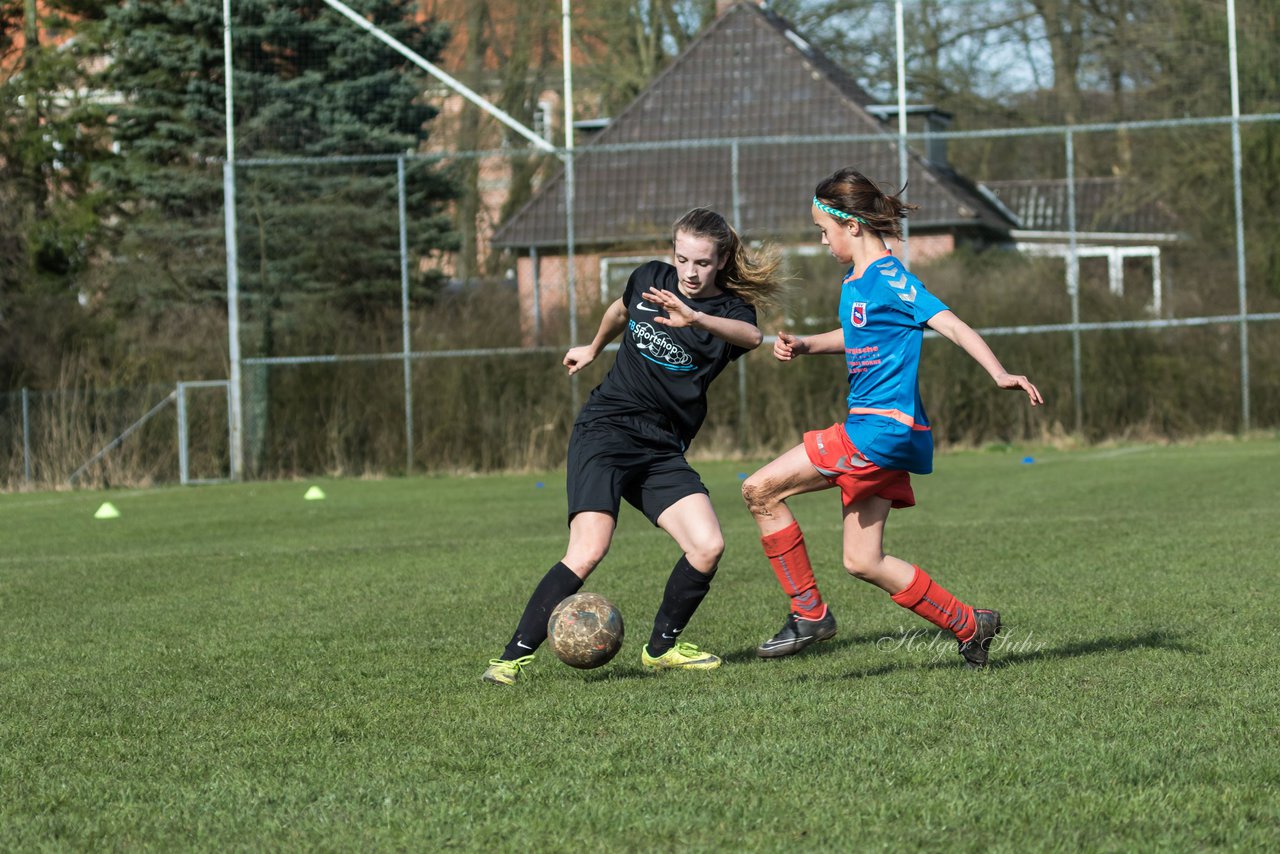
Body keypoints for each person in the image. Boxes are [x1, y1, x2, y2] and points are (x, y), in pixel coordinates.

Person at [741, 168, 1043, 669]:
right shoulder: (857, 282)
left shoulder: (890, 277)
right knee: (863, 560)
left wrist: (1000, 372)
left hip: (878, 430)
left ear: (851, 226)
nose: (822, 241)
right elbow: (859, 336)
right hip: (881, 433)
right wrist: (810, 344)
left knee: (759, 490)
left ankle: (808, 613)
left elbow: (949, 322)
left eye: (823, 230)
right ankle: (971, 625)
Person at [483, 207, 784, 685]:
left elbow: (753, 335)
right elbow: (621, 310)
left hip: (661, 447)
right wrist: (594, 346)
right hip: (606, 430)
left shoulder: (729, 313)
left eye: (702, 262)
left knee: (707, 546)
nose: (689, 271)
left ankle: (661, 649)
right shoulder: (650, 279)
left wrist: (696, 318)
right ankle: (509, 660)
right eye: (682, 258)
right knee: (587, 550)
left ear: (723, 260)